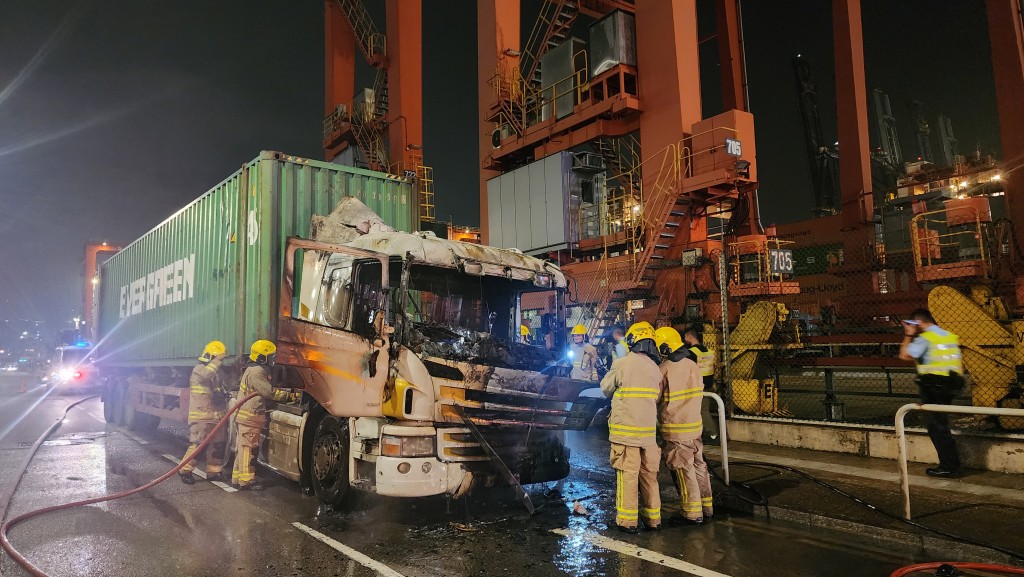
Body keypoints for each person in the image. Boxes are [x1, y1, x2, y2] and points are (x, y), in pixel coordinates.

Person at [600, 322, 664, 534]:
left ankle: (627, 522)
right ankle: (653, 520)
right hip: (648, 435)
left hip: (626, 433)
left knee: (627, 476)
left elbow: (605, 389)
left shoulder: (622, 363)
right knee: (649, 476)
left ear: (631, 341)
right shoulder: (656, 368)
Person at [656, 327, 713, 524]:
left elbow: (655, 397)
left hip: (676, 428)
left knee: (682, 468)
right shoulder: (692, 364)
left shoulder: (665, 368)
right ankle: (707, 508)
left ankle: (691, 514)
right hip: (694, 426)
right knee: (699, 466)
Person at [898, 308, 965, 477]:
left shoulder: (925, 338)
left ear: (918, 323)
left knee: (937, 428)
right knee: (941, 425)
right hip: (951, 385)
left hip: (934, 387)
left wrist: (908, 335)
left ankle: (949, 466)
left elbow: (905, 355)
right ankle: (951, 463)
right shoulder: (948, 335)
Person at [232, 340, 302, 490]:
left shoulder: (253, 369)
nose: (273, 359)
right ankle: (246, 481)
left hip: (248, 415)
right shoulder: (257, 371)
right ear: (261, 358)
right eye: (270, 356)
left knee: (243, 447)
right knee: (247, 448)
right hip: (249, 416)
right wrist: (290, 396)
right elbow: (268, 392)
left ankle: (237, 478)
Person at [179, 340, 229, 485]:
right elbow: (206, 375)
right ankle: (185, 470)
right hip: (201, 417)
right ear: (211, 357)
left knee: (219, 445)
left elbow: (217, 391)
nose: (220, 361)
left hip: (215, 416)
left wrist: (222, 395)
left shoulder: (215, 374)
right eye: (218, 358)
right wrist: (218, 360)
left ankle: (214, 471)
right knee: (199, 445)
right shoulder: (199, 370)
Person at [683, 327, 719, 441]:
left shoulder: (691, 353)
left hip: (697, 386)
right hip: (709, 384)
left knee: (702, 410)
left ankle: (713, 435)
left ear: (690, 336)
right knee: (702, 409)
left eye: (685, 336)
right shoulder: (708, 351)